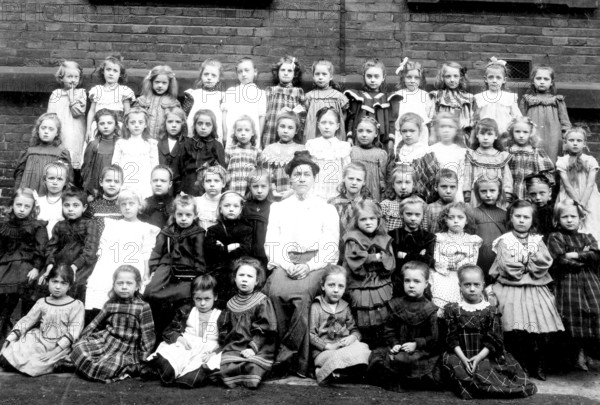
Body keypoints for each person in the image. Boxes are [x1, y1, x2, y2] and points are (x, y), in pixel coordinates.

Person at [263, 150, 339, 377]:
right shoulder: (278, 207)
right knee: (275, 292)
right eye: (297, 174)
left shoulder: (326, 207)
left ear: (314, 178)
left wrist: (309, 266)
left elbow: (330, 244)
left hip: (315, 263)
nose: (302, 178)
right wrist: (286, 265)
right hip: (285, 260)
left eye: (307, 174)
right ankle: (275, 353)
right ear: (290, 178)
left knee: (302, 296)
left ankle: (294, 359)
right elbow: (272, 242)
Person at [490, 200, 564, 380]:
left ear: (532, 220)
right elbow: (507, 265)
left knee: (538, 327)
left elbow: (543, 262)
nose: (521, 220)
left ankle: (537, 365)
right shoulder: (504, 241)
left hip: (535, 288)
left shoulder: (537, 240)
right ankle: (519, 365)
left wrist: (527, 265)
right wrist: (528, 265)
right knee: (515, 329)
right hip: (511, 288)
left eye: (526, 217)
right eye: (517, 216)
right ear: (511, 218)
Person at [443, 265, 537, 400]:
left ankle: (482, 384)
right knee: (459, 371)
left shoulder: (490, 311)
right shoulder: (452, 309)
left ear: (483, 285)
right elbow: (451, 338)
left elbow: (493, 340)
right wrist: (463, 359)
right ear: (460, 285)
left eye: (476, 284)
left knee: (484, 373)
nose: (471, 289)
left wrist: (479, 357)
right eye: (467, 284)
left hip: (484, 354)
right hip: (461, 353)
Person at [70, 265, 155, 383]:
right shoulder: (110, 304)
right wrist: (82, 339)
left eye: (129, 283)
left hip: (126, 349)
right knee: (79, 349)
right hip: (106, 342)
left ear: (137, 286)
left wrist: (143, 360)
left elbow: (148, 336)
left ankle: (129, 369)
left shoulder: (142, 307)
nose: (124, 287)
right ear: (114, 285)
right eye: (120, 283)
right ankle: (84, 364)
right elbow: (94, 324)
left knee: (109, 367)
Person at [368, 261, 441, 392]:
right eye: (407, 281)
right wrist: (394, 343)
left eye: (417, 281)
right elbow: (389, 329)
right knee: (378, 355)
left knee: (408, 360)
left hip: (419, 351)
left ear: (426, 284)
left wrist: (416, 344)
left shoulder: (429, 309)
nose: (411, 285)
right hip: (398, 347)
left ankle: (413, 381)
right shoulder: (396, 304)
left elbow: (433, 338)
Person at [84, 188, 159, 313]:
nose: (127, 207)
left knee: (127, 286)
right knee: (100, 284)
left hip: (132, 263)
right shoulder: (112, 225)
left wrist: (146, 272)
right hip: (110, 262)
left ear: (139, 205)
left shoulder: (145, 228)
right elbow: (103, 248)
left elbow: (146, 253)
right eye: (123, 204)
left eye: (131, 204)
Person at [0, 265, 84, 376]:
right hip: (39, 339)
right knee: (5, 359)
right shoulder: (42, 302)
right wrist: (9, 340)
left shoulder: (76, 305)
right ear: (48, 281)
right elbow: (27, 321)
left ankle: (58, 363)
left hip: (58, 346)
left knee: (35, 365)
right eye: (54, 281)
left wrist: (54, 352)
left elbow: (73, 331)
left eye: (63, 283)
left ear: (69, 286)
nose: (58, 287)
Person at [547, 199, 600, 372]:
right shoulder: (555, 237)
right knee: (572, 315)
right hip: (567, 282)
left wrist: (574, 254)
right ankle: (574, 356)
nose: (569, 220)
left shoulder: (587, 237)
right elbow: (559, 260)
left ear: (580, 218)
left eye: (573, 216)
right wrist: (582, 257)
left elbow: (595, 256)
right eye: (565, 217)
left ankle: (588, 353)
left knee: (593, 312)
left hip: (589, 282)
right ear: (557, 220)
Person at [145, 193, 206, 337]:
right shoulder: (167, 232)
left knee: (183, 296)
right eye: (180, 215)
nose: (184, 219)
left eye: (188, 215)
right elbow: (157, 252)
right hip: (166, 268)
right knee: (150, 292)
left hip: (187, 272)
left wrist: (199, 274)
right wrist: (154, 268)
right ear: (174, 214)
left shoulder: (198, 233)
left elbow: (200, 256)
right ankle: (153, 331)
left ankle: (172, 332)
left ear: (195, 216)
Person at [145, 275, 221, 388]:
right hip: (187, 347)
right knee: (168, 369)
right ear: (193, 297)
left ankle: (191, 375)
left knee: (189, 380)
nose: (203, 303)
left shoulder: (221, 316)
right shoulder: (187, 311)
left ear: (215, 297)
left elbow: (227, 339)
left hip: (207, 352)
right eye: (198, 299)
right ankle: (166, 369)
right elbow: (169, 330)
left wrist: (213, 353)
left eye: (207, 299)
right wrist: (179, 338)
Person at [217, 257, 277, 389]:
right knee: (224, 365)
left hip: (258, 345)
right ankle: (236, 376)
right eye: (241, 275)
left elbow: (265, 328)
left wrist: (253, 348)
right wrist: (222, 344)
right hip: (236, 345)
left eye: (249, 276)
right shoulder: (230, 303)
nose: (244, 279)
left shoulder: (261, 301)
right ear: (235, 278)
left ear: (256, 281)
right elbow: (224, 327)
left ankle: (249, 377)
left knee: (253, 366)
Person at [343, 200, 395, 346]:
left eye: (372, 218)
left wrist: (377, 258)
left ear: (378, 220)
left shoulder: (384, 238)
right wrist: (376, 257)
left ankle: (382, 346)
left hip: (380, 281)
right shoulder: (352, 239)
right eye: (363, 219)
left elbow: (390, 261)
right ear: (356, 221)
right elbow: (355, 260)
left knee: (383, 311)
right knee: (361, 310)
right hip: (359, 283)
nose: (368, 222)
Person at [0, 188, 48, 339]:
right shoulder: (5, 225)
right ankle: (3, 323)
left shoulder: (36, 226)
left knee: (15, 295)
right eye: (18, 205)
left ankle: (12, 329)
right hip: (5, 264)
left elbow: (41, 249)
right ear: (12, 205)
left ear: (33, 208)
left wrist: (36, 267)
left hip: (25, 265)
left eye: (27, 207)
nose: (22, 209)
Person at [309, 265, 370, 384]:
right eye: (331, 285)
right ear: (323, 286)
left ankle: (337, 373)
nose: (336, 290)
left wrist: (352, 337)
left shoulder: (345, 307)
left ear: (345, 288)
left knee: (364, 348)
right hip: (325, 352)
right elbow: (311, 335)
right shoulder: (316, 307)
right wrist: (328, 346)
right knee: (337, 357)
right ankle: (323, 371)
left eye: (340, 286)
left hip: (344, 348)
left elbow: (355, 330)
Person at [41, 188, 99, 302]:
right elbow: (51, 247)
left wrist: (74, 266)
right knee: (44, 281)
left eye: (75, 205)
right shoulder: (59, 225)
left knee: (75, 283)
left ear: (84, 207)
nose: (70, 209)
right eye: (66, 205)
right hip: (61, 263)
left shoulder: (89, 224)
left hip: (81, 265)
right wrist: (50, 265)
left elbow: (90, 249)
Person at [431, 202, 482, 314]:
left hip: (463, 277)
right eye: (451, 217)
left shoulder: (472, 240)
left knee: (462, 309)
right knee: (442, 307)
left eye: (460, 217)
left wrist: (460, 265)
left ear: (467, 220)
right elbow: (437, 257)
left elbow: (472, 262)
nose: (455, 221)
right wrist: (447, 263)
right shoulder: (440, 238)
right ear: (445, 220)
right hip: (444, 276)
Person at [204, 191, 253, 303]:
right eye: (227, 206)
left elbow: (245, 250)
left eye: (235, 206)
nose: (231, 209)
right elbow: (210, 251)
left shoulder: (246, 229)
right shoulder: (214, 230)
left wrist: (222, 249)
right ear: (220, 209)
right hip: (217, 271)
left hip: (236, 271)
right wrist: (229, 248)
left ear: (240, 209)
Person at [519, 65, 572, 162]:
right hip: (532, 137)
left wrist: (567, 140)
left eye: (546, 79)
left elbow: (565, 123)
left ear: (551, 82)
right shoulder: (527, 100)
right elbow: (520, 121)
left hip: (553, 139)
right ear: (533, 81)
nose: (542, 81)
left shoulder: (557, 101)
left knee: (552, 161)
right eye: (538, 78)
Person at [556, 127, 600, 242]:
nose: (575, 143)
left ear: (584, 143)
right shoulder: (562, 161)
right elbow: (567, 185)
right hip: (569, 198)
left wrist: (583, 204)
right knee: (570, 221)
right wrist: (577, 204)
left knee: (591, 222)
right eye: (571, 140)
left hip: (588, 198)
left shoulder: (590, 160)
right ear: (565, 143)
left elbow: (590, 184)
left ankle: (592, 250)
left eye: (579, 141)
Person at [14, 112, 72, 195]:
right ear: (38, 130)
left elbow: (67, 179)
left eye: (51, 129)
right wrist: (16, 194)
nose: (46, 131)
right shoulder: (29, 151)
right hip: (28, 191)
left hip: (49, 193)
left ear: (57, 133)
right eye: (43, 128)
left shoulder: (61, 153)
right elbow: (19, 175)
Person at [390, 196, 436, 296]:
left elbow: (426, 261)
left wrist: (403, 255)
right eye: (409, 214)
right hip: (397, 282)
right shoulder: (393, 235)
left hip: (419, 283)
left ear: (423, 215)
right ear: (401, 214)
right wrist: (418, 255)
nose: (413, 218)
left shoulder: (429, 237)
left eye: (417, 214)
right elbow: (392, 260)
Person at [463, 118, 513, 207]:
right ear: (477, 135)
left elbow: (507, 179)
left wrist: (507, 197)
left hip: (497, 196)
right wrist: (467, 198)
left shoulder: (501, 157)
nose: (485, 137)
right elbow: (467, 177)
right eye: (482, 133)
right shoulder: (472, 155)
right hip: (477, 197)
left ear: (496, 136)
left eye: (489, 134)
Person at [345, 58, 392, 152]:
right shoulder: (357, 97)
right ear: (364, 76)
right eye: (369, 76)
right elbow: (351, 118)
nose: (373, 80)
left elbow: (391, 121)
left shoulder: (387, 98)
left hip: (381, 141)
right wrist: (349, 136)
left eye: (376, 76)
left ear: (383, 77)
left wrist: (391, 139)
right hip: (360, 139)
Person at [175, 109, 226, 196]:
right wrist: (178, 189)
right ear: (194, 125)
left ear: (213, 127)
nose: (203, 127)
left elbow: (222, 170)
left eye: (208, 124)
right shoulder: (186, 143)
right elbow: (178, 167)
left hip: (209, 186)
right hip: (187, 186)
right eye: (200, 123)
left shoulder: (217, 145)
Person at [111, 107, 159, 199]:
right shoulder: (121, 143)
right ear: (127, 125)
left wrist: (154, 181)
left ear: (145, 125)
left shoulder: (151, 143)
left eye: (140, 122)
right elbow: (115, 164)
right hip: (126, 180)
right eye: (133, 122)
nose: (136, 125)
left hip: (144, 180)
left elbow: (155, 166)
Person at [47, 60, 87, 171]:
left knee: (74, 154)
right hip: (61, 128)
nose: (73, 80)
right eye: (69, 77)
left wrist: (71, 97)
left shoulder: (81, 93)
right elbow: (50, 116)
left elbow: (77, 113)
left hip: (76, 129)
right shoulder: (56, 94)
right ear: (61, 78)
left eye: (76, 77)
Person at [306, 108, 352, 201]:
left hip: (335, 190)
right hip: (316, 189)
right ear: (318, 124)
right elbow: (307, 168)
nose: (327, 126)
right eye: (323, 123)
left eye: (331, 123)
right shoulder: (312, 145)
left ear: (337, 126)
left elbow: (347, 169)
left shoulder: (342, 147)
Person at [86, 54, 135, 140]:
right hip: (99, 126)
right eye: (108, 69)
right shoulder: (97, 90)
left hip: (117, 127)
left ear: (120, 74)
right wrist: (88, 129)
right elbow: (92, 111)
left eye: (115, 71)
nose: (111, 73)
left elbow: (127, 112)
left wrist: (127, 129)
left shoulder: (124, 91)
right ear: (103, 71)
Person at [259, 111, 305, 200]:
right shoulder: (269, 150)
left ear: (296, 131)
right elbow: (265, 175)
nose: (285, 131)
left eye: (290, 128)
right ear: (277, 128)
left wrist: (292, 191)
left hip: (295, 194)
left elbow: (303, 174)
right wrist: (272, 190)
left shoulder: (301, 150)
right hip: (273, 195)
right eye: (282, 126)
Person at [261, 55, 306, 147]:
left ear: (295, 74)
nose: (286, 73)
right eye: (282, 70)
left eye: (289, 71)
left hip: (288, 131)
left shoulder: (298, 92)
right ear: (277, 72)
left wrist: (291, 112)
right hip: (272, 128)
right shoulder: (270, 90)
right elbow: (264, 112)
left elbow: (303, 113)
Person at [388, 58, 433, 150]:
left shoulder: (425, 96)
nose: (412, 81)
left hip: (420, 133)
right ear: (403, 78)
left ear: (421, 79)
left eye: (416, 78)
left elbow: (429, 116)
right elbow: (393, 116)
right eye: (409, 77)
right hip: (402, 132)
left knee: (420, 155)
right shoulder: (398, 95)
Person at [223, 57, 267, 150]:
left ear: (255, 72)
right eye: (240, 71)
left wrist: (258, 137)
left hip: (250, 136)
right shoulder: (231, 91)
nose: (243, 74)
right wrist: (225, 133)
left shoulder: (260, 93)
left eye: (247, 70)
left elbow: (261, 116)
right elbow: (224, 113)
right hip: (233, 135)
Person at [507, 116, 554, 200]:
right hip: (511, 191)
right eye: (517, 131)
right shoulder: (507, 152)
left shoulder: (536, 152)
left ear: (531, 133)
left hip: (531, 193)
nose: (521, 135)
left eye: (525, 132)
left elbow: (546, 176)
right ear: (512, 132)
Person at [473, 57, 521, 138]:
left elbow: (517, 116)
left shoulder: (509, 97)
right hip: (486, 135)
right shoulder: (480, 97)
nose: (494, 80)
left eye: (498, 78)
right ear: (486, 79)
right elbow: (475, 117)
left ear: (504, 80)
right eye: (491, 77)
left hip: (504, 134)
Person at [429, 61, 474, 146]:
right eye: (448, 76)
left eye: (455, 76)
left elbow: (472, 120)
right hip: (443, 136)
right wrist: (432, 135)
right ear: (443, 78)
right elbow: (433, 118)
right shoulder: (438, 96)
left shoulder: (468, 98)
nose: (452, 80)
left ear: (461, 77)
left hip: (462, 136)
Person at [304, 59, 349, 142]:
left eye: (324, 74)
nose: (320, 77)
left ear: (331, 76)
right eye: (317, 74)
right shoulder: (310, 96)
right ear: (313, 76)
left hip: (333, 131)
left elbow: (344, 114)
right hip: (313, 131)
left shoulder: (338, 96)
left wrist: (338, 123)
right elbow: (306, 113)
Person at [472, 176, 507, 280]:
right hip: (479, 259)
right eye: (483, 191)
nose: (488, 195)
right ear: (478, 193)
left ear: (499, 192)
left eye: (492, 190)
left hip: (499, 260)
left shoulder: (504, 214)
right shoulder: (472, 213)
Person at [183, 59, 225, 142]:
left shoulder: (222, 97)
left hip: (214, 139)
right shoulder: (193, 95)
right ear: (201, 76)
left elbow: (224, 119)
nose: (209, 78)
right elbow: (183, 116)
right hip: (194, 137)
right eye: (206, 74)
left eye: (213, 75)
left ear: (218, 79)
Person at [134, 65, 180, 140]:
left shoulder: (173, 103)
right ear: (151, 82)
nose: (160, 85)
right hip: (144, 139)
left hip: (163, 141)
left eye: (164, 83)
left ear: (169, 84)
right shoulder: (142, 100)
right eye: (157, 82)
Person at [427, 113, 466, 202]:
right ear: (437, 129)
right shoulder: (431, 150)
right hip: (436, 192)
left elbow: (462, 178)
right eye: (442, 126)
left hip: (455, 192)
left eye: (450, 127)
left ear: (456, 129)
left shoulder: (461, 151)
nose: (446, 130)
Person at [82, 109, 120, 197]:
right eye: (102, 123)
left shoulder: (120, 144)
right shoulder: (94, 144)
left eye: (109, 123)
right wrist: (89, 189)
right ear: (97, 126)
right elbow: (86, 168)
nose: (106, 126)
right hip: (96, 187)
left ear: (115, 125)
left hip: (115, 185)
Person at [350, 116, 388, 201]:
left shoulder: (380, 153)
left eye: (369, 131)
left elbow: (383, 178)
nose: (364, 135)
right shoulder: (351, 151)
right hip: (355, 188)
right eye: (360, 131)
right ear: (356, 132)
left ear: (376, 134)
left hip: (373, 191)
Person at [242, 168, 274, 268]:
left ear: (269, 186)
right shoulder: (244, 206)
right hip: (246, 255)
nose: (259, 190)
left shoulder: (274, 207)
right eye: (255, 186)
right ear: (250, 187)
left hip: (265, 255)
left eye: (263, 186)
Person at [225, 116, 260, 195]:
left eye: (247, 130)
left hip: (249, 193)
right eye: (239, 130)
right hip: (232, 191)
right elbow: (224, 171)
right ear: (235, 132)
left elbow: (260, 174)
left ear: (252, 133)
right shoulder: (229, 151)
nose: (243, 133)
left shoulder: (257, 152)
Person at [86, 165, 124, 234]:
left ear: (121, 184)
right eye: (108, 181)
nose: (112, 184)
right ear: (101, 182)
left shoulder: (124, 206)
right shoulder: (93, 206)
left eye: (116, 181)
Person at [422, 169, 459, 233]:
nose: (448, 191)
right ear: (436, 187)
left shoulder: (461, 209)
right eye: (444, 187)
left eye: (452, 187)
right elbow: (424, 233)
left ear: (457, 188)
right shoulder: (429, 208)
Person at [38, 161, 69, 237]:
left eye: (60, 179)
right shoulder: (38, 202)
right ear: (45, 180)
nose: (55, 182)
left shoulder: (67, 203)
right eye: (51, 178)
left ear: (66, 182)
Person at [139, 165, 174, 230]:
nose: (158, 184)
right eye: (155, 180)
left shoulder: (175, 204)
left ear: (170, 184)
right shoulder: (144, 204)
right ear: (150, 182)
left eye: (163, 181)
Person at [194, 165, 227, 232]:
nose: (212, 184)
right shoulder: (197, 202)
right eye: (208, 181)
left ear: (223, 183)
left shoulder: (226, 203)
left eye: (216, 181)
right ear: (203, 184)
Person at [157, 106, 187, 173]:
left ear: (183, 124)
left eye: (178, 122)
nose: (174, 125)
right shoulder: (157, 143)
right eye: (170, 122)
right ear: (165, 123)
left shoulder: (187, 144)